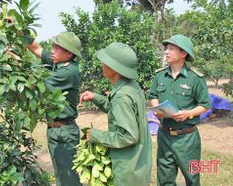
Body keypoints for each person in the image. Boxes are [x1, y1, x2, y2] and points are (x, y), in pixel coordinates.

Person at [80, 42, 152, 186]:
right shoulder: (132, 87)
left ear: (115, 69)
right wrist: (95, 97)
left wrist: (95, 135)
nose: (102, 65)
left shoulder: (121, 97)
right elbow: (117, 111)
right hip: (139, 162)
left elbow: (128, 136)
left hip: (127, 168)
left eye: (105, 63)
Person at [149, 34, 212, 186]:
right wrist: (157, 108)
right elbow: (153, 95)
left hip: (187, 138)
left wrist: (189, 113)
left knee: (192, 178)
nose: (166, 52)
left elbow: (205, 104)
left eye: (171, 49)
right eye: (166, 48)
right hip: (164, 135)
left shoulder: (195, 78)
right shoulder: (160, 75)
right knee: (165, 179)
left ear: (183, 53)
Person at [27, 31, 82, 186]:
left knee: (69, 179)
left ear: (69, 54)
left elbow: (35, 82)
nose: (52, 50)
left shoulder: (69, 71)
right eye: (53, 46)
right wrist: (16, 28)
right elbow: (35, 48)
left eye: (57, 48)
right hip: (54, 130)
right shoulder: (58, 64)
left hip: (64, 132)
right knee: (60, 176)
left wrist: (15, 59)